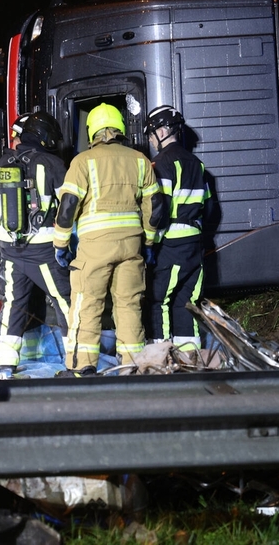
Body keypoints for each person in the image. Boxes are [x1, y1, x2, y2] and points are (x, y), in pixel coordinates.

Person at [53, 103, 165, 376]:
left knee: (86, 305)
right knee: (129, 306)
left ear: (92, 131)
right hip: (131, 247)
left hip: (94, 248)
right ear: (120, 129)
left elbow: (68, 206)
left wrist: (61, 244)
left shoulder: (82, 162)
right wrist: (149, 243)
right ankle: (133, 367)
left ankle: (81, 367)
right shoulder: (139, 160)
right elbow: (156, 205)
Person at [0, 111, 72, 379]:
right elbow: (70, 205)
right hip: (44, 250)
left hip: (11, 251)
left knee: (14, 306)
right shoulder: (53, 163)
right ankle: (76, 360)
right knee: (65, 302)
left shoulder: (3, 163)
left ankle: (5, 365)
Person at [143, 105, 212, 351]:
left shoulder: (160, 164)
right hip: (195, 244)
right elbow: (210, 209)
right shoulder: (197, 164)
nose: (151, 140)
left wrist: (150, 242)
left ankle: (161, 359)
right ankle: (190, 357)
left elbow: (158, 209)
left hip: (170, 244)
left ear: (161, 131)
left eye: (150, 135)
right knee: (187, 301)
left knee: (158, 300)